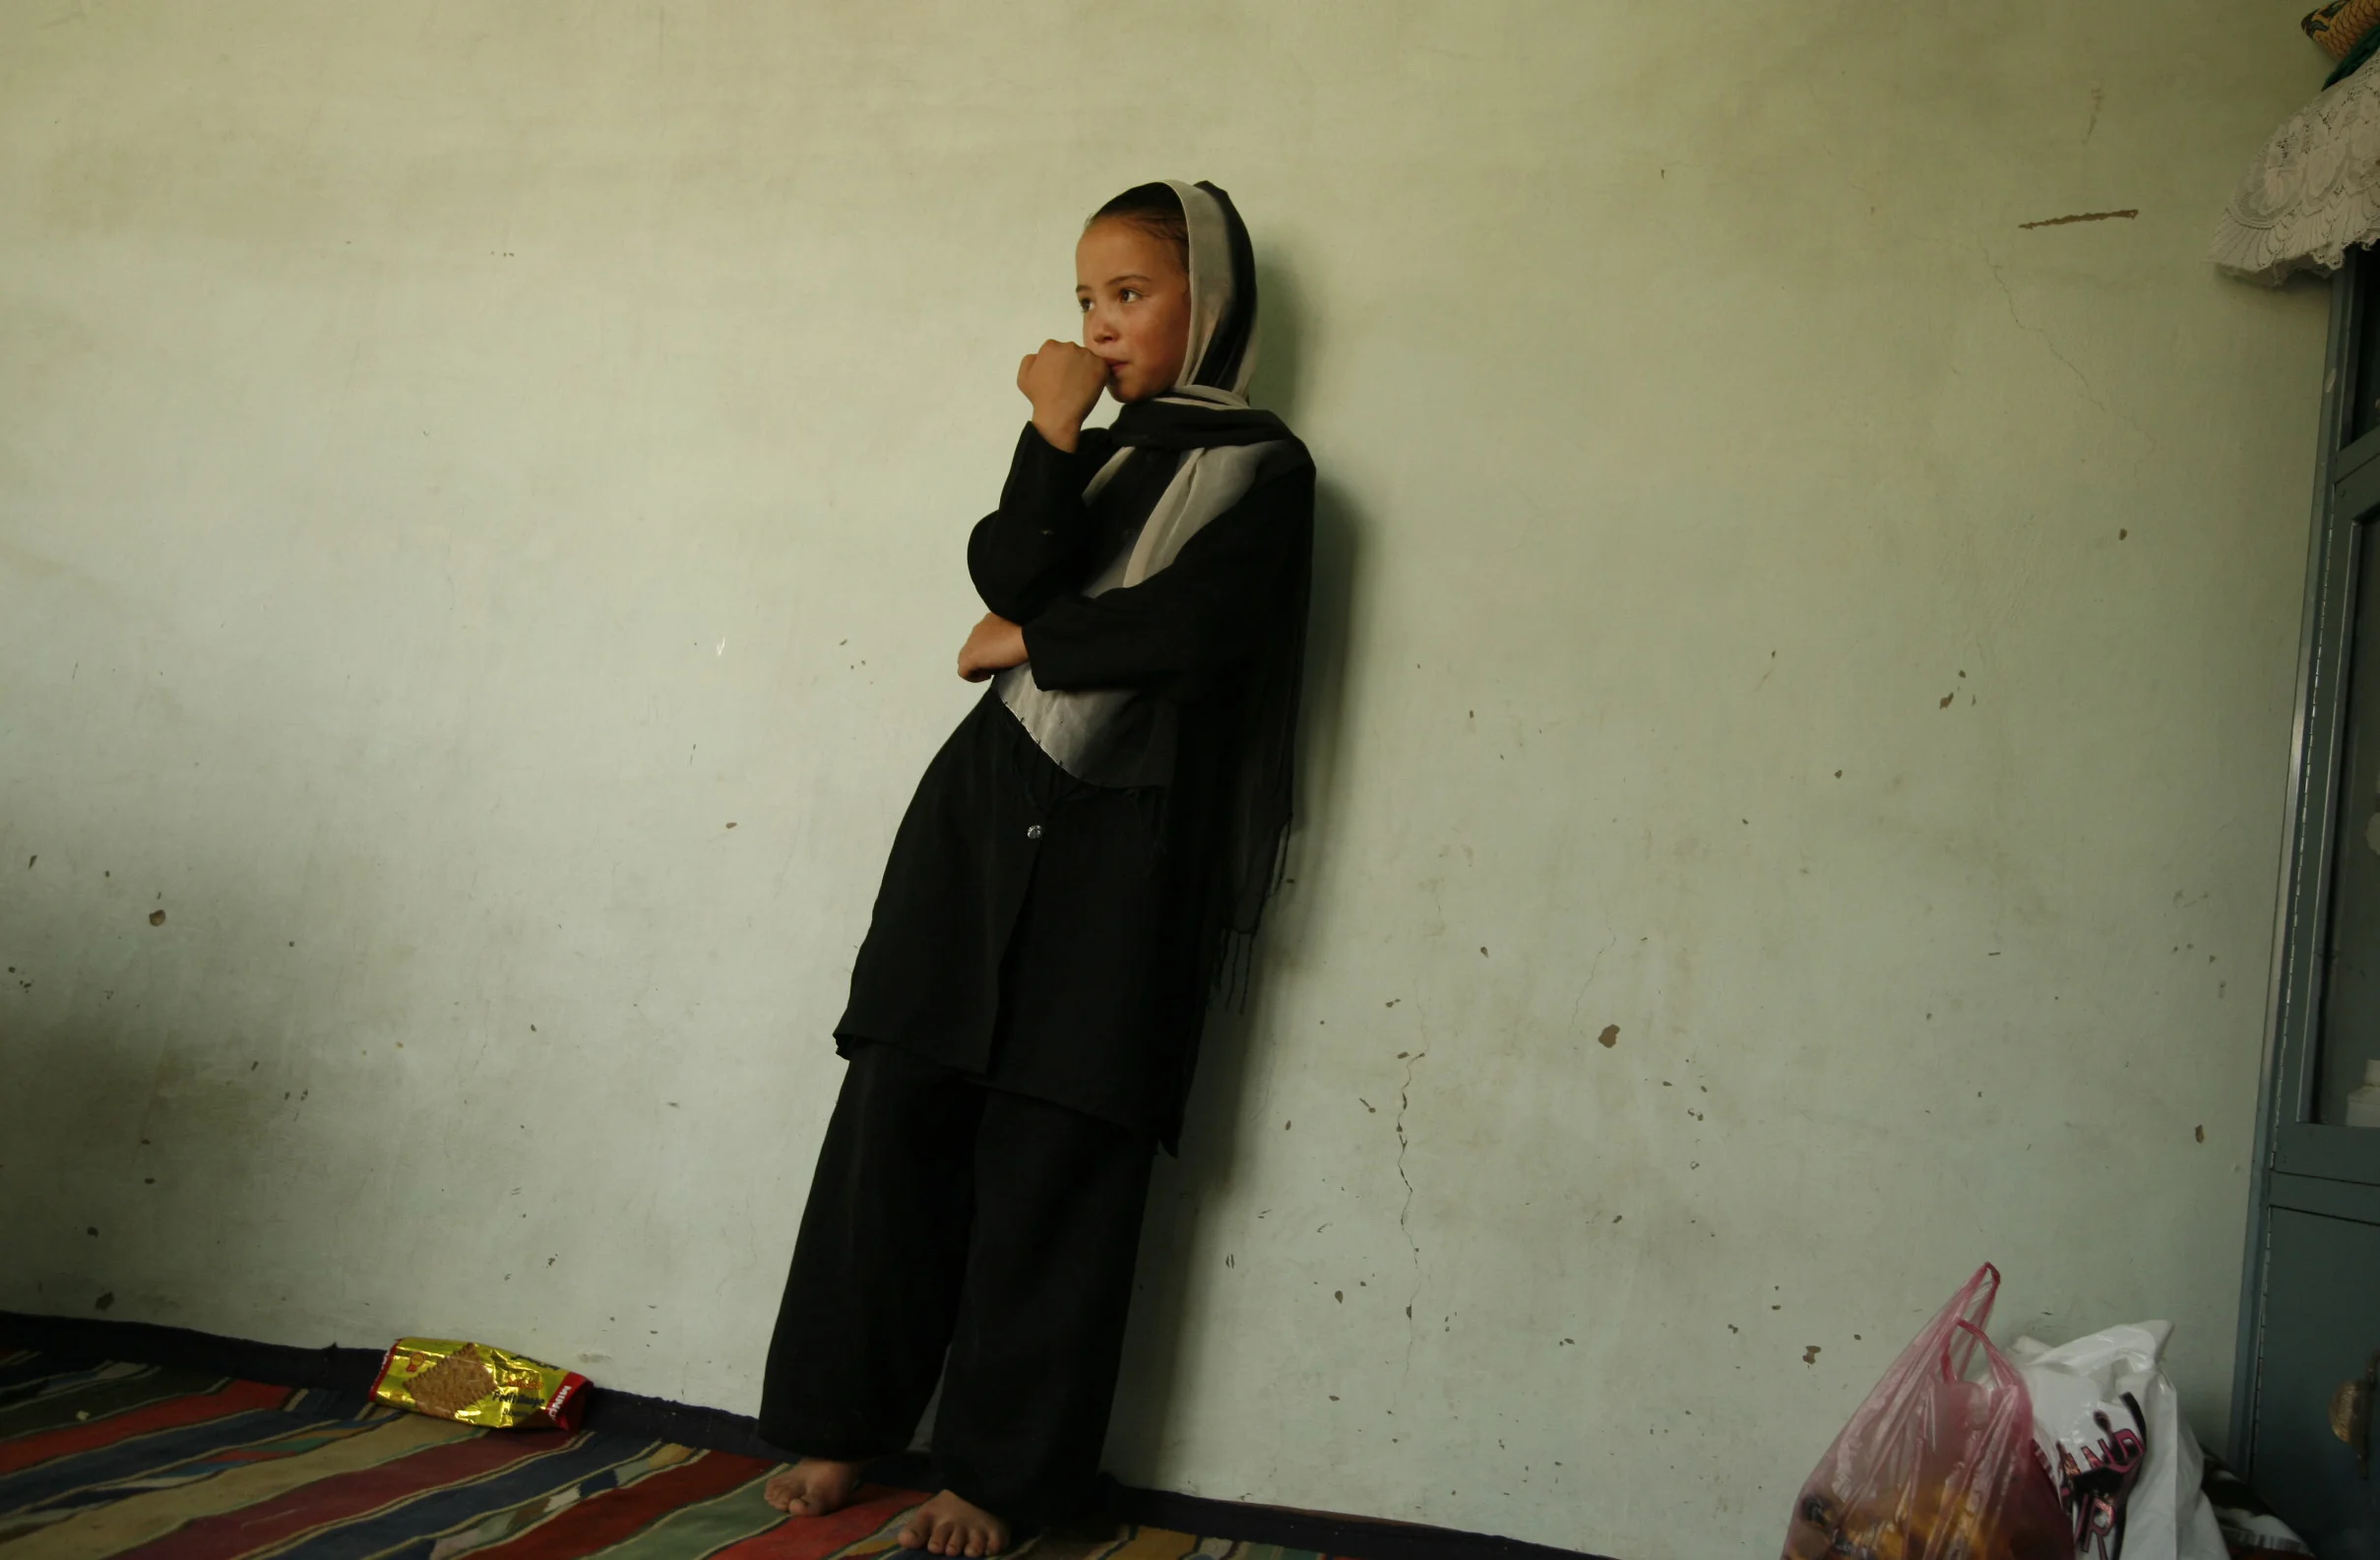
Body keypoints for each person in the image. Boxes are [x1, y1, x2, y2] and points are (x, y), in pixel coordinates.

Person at [754, 179, 1314, 1558]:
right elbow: (1009, 563)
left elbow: (1190, 634)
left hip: (1126, 838)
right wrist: (1049, 432)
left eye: (1129, 294)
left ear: (1211, 304)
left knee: (1058, 1151)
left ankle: (997, 1472)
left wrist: (1024, 640)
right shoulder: (1098, 455)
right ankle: (843, 1420)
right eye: (1083, 300)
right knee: (897, 1113)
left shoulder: (1265, 470)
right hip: (981, 811)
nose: (1100, 324)